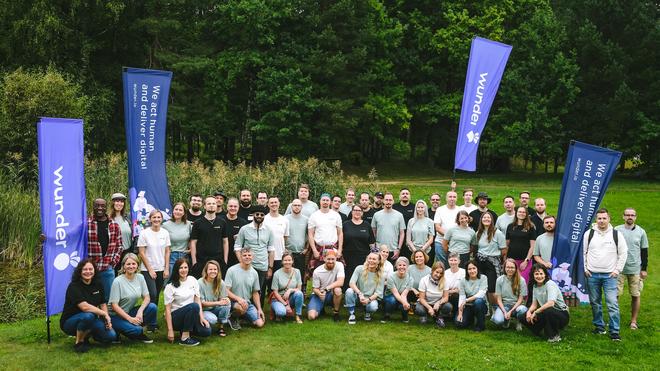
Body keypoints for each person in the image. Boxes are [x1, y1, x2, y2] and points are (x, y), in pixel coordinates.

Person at [583, 208, 628, 341]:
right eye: (599, 218)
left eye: (604, 218)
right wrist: (585, 269)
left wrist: (617, 270)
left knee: (612, 303)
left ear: (609, 219)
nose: (602, 221)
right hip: (592, 274)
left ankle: (614, 331)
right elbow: (583, 252)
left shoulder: (616, 234)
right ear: (596, 220)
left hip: (610, 276)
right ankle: (599, 327)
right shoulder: (589, 234)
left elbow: (623, 253)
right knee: (595, 303)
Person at [60, 258, 117, 353]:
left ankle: (88, 334)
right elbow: (84, 307)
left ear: (94, 270)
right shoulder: (74, 286)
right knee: (88, 316)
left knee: (111, 336)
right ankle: (79, 342)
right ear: (80, 271)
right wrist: (104, 314)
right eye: (85, 269)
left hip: (91, 319)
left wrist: (106, 319)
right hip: (70, 322)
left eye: (91, 269)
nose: (88, 272)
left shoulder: (98, 284)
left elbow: (103, 304)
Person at [108, 253, 157, 342]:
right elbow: (114, 306)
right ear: (123, 266)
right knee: (137, 330)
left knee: (152, 307)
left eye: (133, 264)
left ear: (137, 265)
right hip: (115, 316)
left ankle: (133, 330)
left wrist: (140, 311)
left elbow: (147, 297)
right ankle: (120, 330)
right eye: (128, 264)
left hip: (129, 312)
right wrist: (130, 319)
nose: (131, 266)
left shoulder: (140, 277)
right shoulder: (117, 281)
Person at [615, 208, 649, 330]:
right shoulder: (617, 230)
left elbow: (644, 251)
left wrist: (644, 269)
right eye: (627, 215)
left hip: (635, 269)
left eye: (632, 215)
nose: (630, 217)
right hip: (618, 269)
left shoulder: (641, 232)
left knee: (635, 295)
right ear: (623, 216)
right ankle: (615, 320)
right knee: (615, 295)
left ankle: (633, 321)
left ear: (635, 217)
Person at [234, 205, 275, 307]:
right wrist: (241, 262)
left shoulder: (269, 230)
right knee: (246, 289)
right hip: (248, 265)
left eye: (261, 214)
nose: (259, 216)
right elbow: (237, 246)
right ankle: (244, 312)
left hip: (262, 265)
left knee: (259, 290)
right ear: (253, 215)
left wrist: (270, 267)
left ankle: (258, 312)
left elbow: (271, 249)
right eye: (257, 214)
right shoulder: (244, 229)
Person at [164, 259, 211, 346]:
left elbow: (197, 300)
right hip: (176, 317)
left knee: (206, 331)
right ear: (176, 269)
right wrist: (170, 330)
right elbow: (167, 310)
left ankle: (186, 330)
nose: (184, 270)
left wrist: (202, 318)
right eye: (181, 268)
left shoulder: (192, 280)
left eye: (186, 267)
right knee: (193, 306)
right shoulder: (170, 286)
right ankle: (184, 338)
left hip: (191, 314)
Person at [521, 264, 569, 342]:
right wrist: (529, 313)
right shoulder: (535, 286)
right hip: (546, 312)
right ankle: (538, 330)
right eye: (536, 274)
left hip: (561, 314)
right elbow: (534, 304)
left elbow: (551, 303)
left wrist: (536, 312)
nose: (539, 276)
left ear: (545, 274)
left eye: (541, 273)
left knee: (548, 310)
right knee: (522, 316)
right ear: (533, 275)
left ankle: (554, 336)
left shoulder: (550, 284)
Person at [88, 198, 123, 302]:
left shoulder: (114, 225)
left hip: (107, 268)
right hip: (90, 269)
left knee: (108, 298)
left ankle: (108, 317)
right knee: (91, 298)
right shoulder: (86, 223)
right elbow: (71, 236)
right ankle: (94, 317)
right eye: (97, 205)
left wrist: (113, 262)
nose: (100, 208)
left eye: (102, 206)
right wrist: (49, 238)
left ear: (106, 207)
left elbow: (119, 246)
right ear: (93, 206)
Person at [138, 209, 171, 311]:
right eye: (154, 217)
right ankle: (148, 317)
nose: (156, 219)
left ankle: (152, 316)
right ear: (150, 219)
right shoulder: (144, 233)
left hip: (161, 268)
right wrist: (150, 269)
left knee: (157, 293)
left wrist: (166, 268)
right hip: (148, 269)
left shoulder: (165, 233)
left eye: (158, 217)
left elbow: (167, 251)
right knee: (152, 293)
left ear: (162, 219)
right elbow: (142, 253)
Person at [225, 248, 266, 329]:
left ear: (252, 257)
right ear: (240, 257)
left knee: (260, 323)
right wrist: (238, 299)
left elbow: (255, 292)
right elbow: (226, 291)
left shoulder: (254, 273)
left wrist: (259, 309)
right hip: (232, 301)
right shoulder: (231, 270)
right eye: (244, 255)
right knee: (241, 307)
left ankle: (243, 317)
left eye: (249, 255)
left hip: (247, 302)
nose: (247, 257)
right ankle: (232, 317)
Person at [190, 196, 226, 278]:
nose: (211, 205)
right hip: (201, 260)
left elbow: (225, 242)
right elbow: (193, 243)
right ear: (204, 206)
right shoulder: (197, 223)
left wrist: (225, 261)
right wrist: (194, 262)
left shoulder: (222, 222)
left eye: (214, 203)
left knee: (218, 286)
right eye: (209, 203)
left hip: (218, 260)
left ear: (216, 206)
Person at [475, 212, 506, 309]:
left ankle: (495, 307)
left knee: (492, 287)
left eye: (488, 218)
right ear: (481, 220)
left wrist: (494, 257)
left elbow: (504, 250)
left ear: (492, 220)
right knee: (481, 285)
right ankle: (486, 307)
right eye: (484, 217)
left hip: (492, 262)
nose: (486, 219)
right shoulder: (478, 233)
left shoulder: (497, 233)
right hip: (480, 261)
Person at [342, 204, 376, 291]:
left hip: (363, 256)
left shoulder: (366, 225)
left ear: (362, 213)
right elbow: (341, 240)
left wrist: (373, 255)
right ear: (352, 212)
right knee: (349, 275)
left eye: (359, 211)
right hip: (348, 255)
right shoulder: (345, 225)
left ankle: (362, 293)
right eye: (355, 210)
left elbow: (372, 242)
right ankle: (348, 294)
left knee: (362, 275)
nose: (357, 212)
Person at [307, 193, 344, 272]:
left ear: (330, 202)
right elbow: (310, 234)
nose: (325, 202)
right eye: (323, 200)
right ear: (320, 202)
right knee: (318, 272)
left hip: (333, 249)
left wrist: (340, 249)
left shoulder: (336, 215)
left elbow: (340, 233)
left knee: (334, 272)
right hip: (318, 249)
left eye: (327, 200)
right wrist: (314, 250)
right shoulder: (314, 215)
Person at [345, 252, 385, 324]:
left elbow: (378, 293)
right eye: (369, 258)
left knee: (373, 307)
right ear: (367, 259)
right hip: (358, 296)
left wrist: (368, 300)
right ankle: (352, 314)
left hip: (370, 298)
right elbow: (351, 283)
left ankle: (367, 312)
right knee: (349, 291)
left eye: (374, 259)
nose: (371, 261)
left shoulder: (381, 275)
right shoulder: (359, 268)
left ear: (378, 261)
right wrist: (360, 294)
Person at [308, 249, 344, 321]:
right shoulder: (317, 271)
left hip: (331, 293)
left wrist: (327, 288)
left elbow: (340, 282)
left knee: (338, 290)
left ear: (336, 258)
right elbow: (315, 288)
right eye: (328, 259)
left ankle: (336, 313)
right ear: (324, 258)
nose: (330, 261)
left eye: (333, 259)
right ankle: (320, 309)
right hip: (319, 294)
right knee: (311, 317)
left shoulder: (340, 265)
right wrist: (319, 294)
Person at [492, 259, 528, 330]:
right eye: (508, 267)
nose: (510, 269)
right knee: (497, 320)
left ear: (515, 268)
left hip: (517, 305)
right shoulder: (499, 280)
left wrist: (511, 311)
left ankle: (519, 321)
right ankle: (506, 319)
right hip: (505, 305)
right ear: (504, 268)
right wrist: (505, 312)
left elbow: (521, 299)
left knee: (523, 310)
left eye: (512, 267)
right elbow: (499, 299)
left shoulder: (521, 280)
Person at [198, 260, 231, 337]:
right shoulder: (200, 283)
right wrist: (218, 303)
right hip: (203, 310)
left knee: (227, 303)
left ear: (218, 271)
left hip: (215, 308)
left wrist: (225, 300)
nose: (213, 271)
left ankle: (221, 326)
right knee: (213, 319)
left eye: (215, 269)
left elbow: (223, 298)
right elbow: (201, 303)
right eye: (210, 269)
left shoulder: (221, 282)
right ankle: (202, 322)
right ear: (206, 271)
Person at [416, 261, 453, 327]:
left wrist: (438, 303)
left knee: (448, 306)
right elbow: (421, 298)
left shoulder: (445, 281)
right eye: (437, 272)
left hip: (438, 305)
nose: (438, 275)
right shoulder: (424, 280)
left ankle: (440, 317)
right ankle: (424, 316)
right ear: (432, 270)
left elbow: (446, 298)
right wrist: (429, 307)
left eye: (441, 273)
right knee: (419, 309)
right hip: (426, 303)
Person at [270, 252, 304, 323]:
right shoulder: (277, 274)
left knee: (299, 293)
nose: (287, 262)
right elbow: (275, 292)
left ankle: (298, 316)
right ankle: (277, 311)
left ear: (292, 261)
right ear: (282, 262)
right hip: (278, 298)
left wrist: (290, 290)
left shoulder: (297, 272)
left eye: (289, 260)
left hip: (290, 297)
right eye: (285, 260)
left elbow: (299, 289)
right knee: (281, 312)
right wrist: (285, 305)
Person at [371, 192, 405, 261]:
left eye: (390, 200)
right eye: (386, 200)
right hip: (379, 250)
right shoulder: (376, 215)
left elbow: (402, 233)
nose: (388, 202)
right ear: (383, 201)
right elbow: (373, 233)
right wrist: (374, 249)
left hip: (393, 250)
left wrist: (398, 249)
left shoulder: (399, 215)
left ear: (393, 201)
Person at [506, 206, 536, 282]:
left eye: (523, 212)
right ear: (516, 213)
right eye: (519, 212)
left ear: (526, 214)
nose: (521, 214)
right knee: (511, 282)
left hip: (525, 260)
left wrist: (526, 261)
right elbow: (507, 245)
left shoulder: (531, 227)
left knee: (523, 282)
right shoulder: (510, 226)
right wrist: (505, 259)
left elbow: (533, 246)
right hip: (512, 260)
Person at [456, 261, 488, 332]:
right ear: (467, 271)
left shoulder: (483, 278)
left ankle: (480, 325)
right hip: (468, 306)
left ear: (477, 269)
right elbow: (462, 296)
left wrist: (466, 300)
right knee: (459, 323)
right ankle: (470, 319)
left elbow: (481, 294)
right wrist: (460, 313)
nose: (472, 271)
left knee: (478, 301)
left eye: (474, 268)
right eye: (469, 269)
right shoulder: (462, 281)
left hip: (480, 305)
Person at [162, 202, 192, 278]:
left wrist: (191, 249)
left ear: (184, 213)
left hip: (184, 256)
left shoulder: (188, 224)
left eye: (180, 210)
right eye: (176, 209)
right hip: (171, 256)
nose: (178, 211)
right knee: (169, 280)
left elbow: (192, 239)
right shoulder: (165, 225)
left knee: (183, 281)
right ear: (173, 211)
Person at [285, 199, 309, 289]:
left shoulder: (306, 219)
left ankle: (300, 294)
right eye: (295, 205)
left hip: (300, 252)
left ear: (301, 207)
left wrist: (306, 248)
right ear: (291, 207)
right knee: (287, 274)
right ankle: (285, 294)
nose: (297, 207)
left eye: (299, 205)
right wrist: (284, 248)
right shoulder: (285, 219)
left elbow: (310, 235)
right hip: (288, 252)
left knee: (300, 274)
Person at [383, 257, 413, 322]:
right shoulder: (391, 277)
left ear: (407, 266)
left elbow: (404, 294)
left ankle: (404, 316)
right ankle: (387, 314)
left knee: (406, 304)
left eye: (404, 265)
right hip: (390, 295)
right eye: (399, 265)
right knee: (392, 300)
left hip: (401, 295)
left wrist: (405, 303)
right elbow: (395, 293)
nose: (402, 267)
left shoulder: (410, 279)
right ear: (396, 266)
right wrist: (404, 302)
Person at [433, 190, 459, 267]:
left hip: (455, 243)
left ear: (457, 199)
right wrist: (449, 236)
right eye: (450, 197)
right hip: (440, 242)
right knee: (441, 266)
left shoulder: (460, 210)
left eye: (454, 197)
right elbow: (437, 227)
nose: (452, 198)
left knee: (453, 265)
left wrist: (453, 238)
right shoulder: (440, 210)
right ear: (446, 198)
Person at [264, 196, 289, 272]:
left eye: (275, 202)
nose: (273, 204)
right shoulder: (264, 219)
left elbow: (285, 237)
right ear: (268, 204)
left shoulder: (285, 220)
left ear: (279, 204)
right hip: (266, 256)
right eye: (271, 202)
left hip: (280, 256)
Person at [222, 197, 248, 271]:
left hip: (237, 258)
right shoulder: (220, 220)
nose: (233, 208)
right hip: (222, 257)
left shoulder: (243, 223)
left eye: (235, 206)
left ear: (238, 207)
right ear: (227, 207)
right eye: (230, 206)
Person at [109, 192, 132, 257]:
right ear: (113, 203)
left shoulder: (128, 218)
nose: (119, 203)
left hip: (127, 253)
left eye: (122, 201)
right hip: (113, 254)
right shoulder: (108, 219)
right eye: (117, 201)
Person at [445, 253, 465, 317]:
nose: (453, 262)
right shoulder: (445, 273)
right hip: (447, 295)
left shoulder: (463, 272)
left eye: (455, 260)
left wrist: (453, 291)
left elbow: (463, 288)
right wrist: (452, 290)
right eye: (451, 260)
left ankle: (456, 312)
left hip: (459, 296)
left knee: (455, 295)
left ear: (459, 261)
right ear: (448, 261)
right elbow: (443, 287)